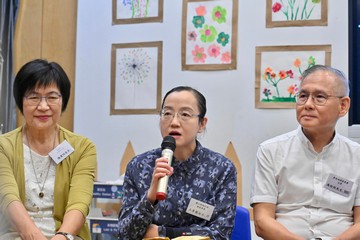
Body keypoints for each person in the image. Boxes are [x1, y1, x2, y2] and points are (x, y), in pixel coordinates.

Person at [250, 65, 360, 240]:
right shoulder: (270, 150)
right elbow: (262, 221)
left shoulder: (357, 156)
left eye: (319, 97)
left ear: (343, 105)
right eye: (303, 96)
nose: (308, 104)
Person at [118, 86, 237, 240]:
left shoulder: (222, 168)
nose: (174, 122)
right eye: (167, 113)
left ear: (202, 124)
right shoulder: (139, 166)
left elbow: (221, 234)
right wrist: (149, 198)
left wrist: (165, 233)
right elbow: (124, 234)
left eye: (185, 114)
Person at [0, 59, 97, 240]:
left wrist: (62, 237)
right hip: (16, 235)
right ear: (21, 101)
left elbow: (79, 203)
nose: (43, 106)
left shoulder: (83, 148)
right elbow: (8, 197)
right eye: (34, 97)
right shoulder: (3, 146)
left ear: (63, 101)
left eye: (52, 97)